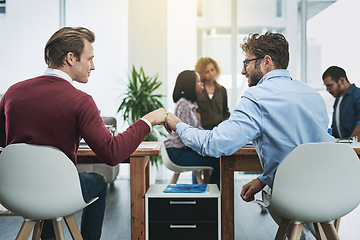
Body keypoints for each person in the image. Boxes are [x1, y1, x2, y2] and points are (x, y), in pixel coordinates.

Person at [0, 27, 166, 240]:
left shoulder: (12, 93)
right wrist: (147, 121)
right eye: (90, 59)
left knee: (50, 184)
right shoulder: (80, 101)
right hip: (57, 193)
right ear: (71, 58)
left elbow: (4, 142)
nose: (93, 66)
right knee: (96, 181)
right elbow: (112, 154)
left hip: (13, 192)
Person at [165, 31, 334, 237]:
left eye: (246, 63)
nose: (243, 71)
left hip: (293, 197)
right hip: (331, 193)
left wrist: (177, 124)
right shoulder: (312, 95)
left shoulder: (257, 97)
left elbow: (215, 145)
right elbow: (305, 153)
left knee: (287, 206)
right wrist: (263, 178)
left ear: (266, 62)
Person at [164, 70, 220, 187]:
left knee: (218, 158)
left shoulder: (190, 105)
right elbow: (186, 135)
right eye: (198, 81)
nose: (202, 84)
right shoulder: (184, 104)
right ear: (189, 85)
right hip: (177, 153)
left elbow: (197, 130)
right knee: (219, 161)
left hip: (180, 151)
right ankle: (215, 194)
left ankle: (212, 192)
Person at [322, 66, 360, 139]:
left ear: (342, 81)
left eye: (329, 86)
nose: (327, 90)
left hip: (354, 147)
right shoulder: (338, 99)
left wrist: (350, 144)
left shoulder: (357, 95)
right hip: (342, 146)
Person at [195, 57, 230, 130]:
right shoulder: (198, 91)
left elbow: (225, 112)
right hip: (202, 129)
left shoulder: (222, 90)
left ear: (216, 69)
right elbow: (196, 112)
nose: (211, 74)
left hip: (219, 129)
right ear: (201, 74)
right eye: (207, 72)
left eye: (212, 70)